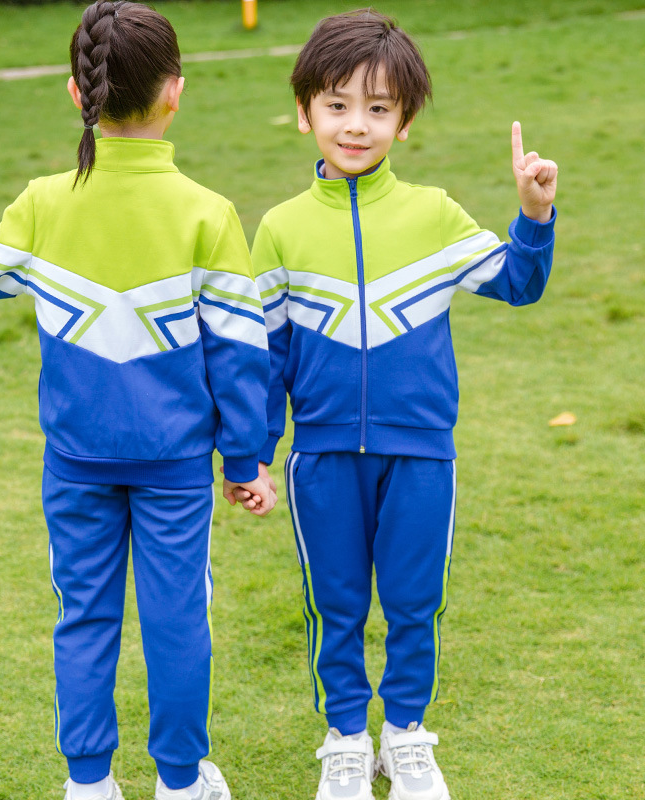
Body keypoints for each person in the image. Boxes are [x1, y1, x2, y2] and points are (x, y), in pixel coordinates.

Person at [0, 3, 276, 799]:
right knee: (177, 622)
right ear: (176, 92)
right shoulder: (207, 211)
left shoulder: (44, 203)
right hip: (176, 466)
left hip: (77, 463)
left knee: (84, 619)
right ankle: (182, 784)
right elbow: (240, 354)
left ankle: (88, 785)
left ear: (75, 94)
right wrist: (246, 457)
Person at [251, 9, 557, 800]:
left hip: (422, 451)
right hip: (319, 455)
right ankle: (347, 741)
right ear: (304, 112)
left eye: (379, 108)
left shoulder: (435, 214)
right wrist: (251, 451)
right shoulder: (280, 231)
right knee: (337, 605)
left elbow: (518, 284)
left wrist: (532, 213)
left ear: (405, 121)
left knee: (416, 603)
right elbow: (266, 359)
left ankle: (408, 737)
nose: (357, 125)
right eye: (338, 104)